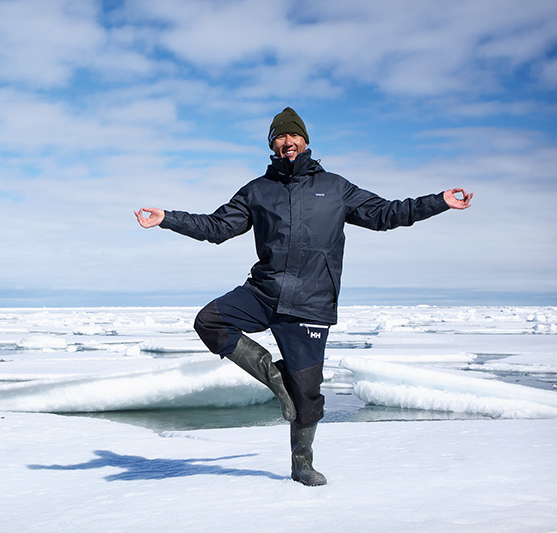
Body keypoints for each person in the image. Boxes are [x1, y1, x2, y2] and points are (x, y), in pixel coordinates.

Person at [134, 107, 473, 486]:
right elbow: (217, 227)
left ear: (305, 141)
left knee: (307, 396)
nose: (287, 141)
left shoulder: (336, 187)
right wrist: (168, 218)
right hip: (264, 291)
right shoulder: (257, 191)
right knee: (210, 320)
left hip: (311, 303)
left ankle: (302, 464)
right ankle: (271, 374)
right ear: (272, 145)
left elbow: (386, 214)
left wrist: (439, 201)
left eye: (293, 135)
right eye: (279, 137)